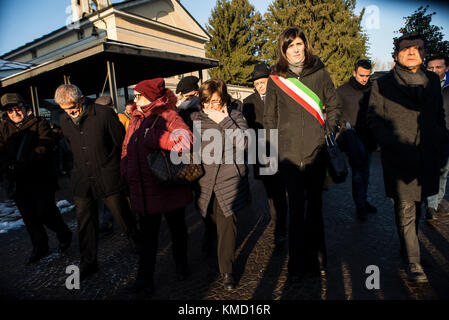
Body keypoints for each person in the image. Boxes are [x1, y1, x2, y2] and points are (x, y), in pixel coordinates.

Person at [367, 33, 449, 283]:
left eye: (418, 48)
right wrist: (391, 142)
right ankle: (414, 261)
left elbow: (438, 115)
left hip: (427, 157)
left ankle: (406, 248)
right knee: (405, 206)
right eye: (406, 49)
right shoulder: (382, 83)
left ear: (424, 53)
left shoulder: (433, 81)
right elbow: (372, 118)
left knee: (418, 204)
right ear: (396, 54)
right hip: (399, 157)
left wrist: (441, 138)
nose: (412, 52)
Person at [263, 26, 341, 282]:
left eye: (299, 44)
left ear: (305, 45)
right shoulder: (276, 79)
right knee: (296, 209)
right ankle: (296, 263)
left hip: (315, 152)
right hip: (287, 155)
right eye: (290, 46)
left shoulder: (320, 72)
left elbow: (334, 103)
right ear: (283, 51)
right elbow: (270, 117)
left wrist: (327, 130)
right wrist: (271, 151)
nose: (295, 50)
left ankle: (318, 258)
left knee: (315, 208)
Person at [54, 84, 138, 280]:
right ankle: (88, 262)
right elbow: (70, 147)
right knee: (85, 224)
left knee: (123, 216)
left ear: (82, 99)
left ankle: (138, 244)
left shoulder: (104, 114)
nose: (70, 112)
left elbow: (120, 143)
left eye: (73, 107)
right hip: (82, 180)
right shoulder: (63, 120)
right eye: (65, 109)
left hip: (108, 176)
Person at [120, 78, 193, 295]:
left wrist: (156, 137)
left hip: (167, 186)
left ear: (151, 97)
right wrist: (124, 169)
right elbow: (126, 147)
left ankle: (181, 266)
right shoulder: (134, 118)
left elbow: (186, 141)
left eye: (139, 95)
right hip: (143, 190)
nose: (136, 99)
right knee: (147, 239)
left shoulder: (168, 115)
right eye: (135, 96)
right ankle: (145, 279)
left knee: (177, 231)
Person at [189, 79, 250, 291]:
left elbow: (244, 143)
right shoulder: (195, 117)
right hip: (205, 180)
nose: (210, 107)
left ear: (223, 99)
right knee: (209, 218)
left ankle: (227, 270)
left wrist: (224, 121)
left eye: (215, 101)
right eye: (206, 102)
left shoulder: (235, 115)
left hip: (229, 178)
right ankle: (209, 240)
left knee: (227, 224)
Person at [0, 93, 72, 264]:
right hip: (18, 182)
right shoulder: (2, 129)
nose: (15, 113)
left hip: (40, 180)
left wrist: (23, 163)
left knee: (46, 212)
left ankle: (63, 233)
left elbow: (45, 144)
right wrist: (8, 166)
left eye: (18, 109)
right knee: (29, 217)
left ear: (25, 108)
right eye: (10, 111)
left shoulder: (39, 123)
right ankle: (40, 247)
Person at [242, 63, 288, 245]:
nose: (260, 85)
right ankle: (279, 224)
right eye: (257, 83)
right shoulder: (248, 102)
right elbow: (249, 129)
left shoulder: (281, 97)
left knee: (280, 193)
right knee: (271, 193)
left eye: (263, 81)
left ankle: (281, 228)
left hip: (282, 151)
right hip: (262, 152)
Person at [337, 59, 378, 221]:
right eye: (361, 75)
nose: (364, 79)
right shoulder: (342, 91)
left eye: (367, 76)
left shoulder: (374, 90)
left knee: (365, 173)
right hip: (351, 139)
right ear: (354, 73)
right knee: (358, 174)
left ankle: (363, 200)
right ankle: (360, 204)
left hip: (368, 139)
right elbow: (335, 114)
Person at [425, 54, 449, 219]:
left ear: (446, 68)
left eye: (438, 67)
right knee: (432, 170)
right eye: (431, 68)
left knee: (444, 170)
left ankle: (439, 199)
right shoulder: (423, 84)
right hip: (430, 135)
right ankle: (431, 205)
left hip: (447, 134)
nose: (434, 70)